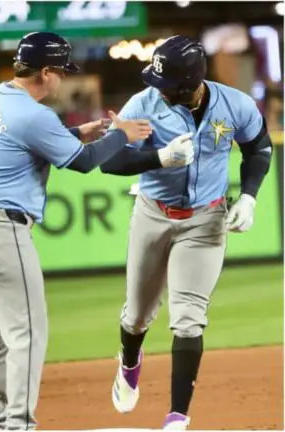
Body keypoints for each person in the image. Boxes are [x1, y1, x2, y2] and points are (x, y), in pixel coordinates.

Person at [0, 31, 166, 430]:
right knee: (28, 335)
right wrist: (122, 135)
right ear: (46, 72)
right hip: (2, 229)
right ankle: (18, 424)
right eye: (61, 71)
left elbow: (18, 144)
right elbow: (84, 164)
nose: (63, 79)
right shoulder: (34, 114)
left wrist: (74, 134)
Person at [100, 35, 273, 430]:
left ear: (188, 83)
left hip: (205, 220)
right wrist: (158, 158)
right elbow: (110, 159)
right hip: (153, 214)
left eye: (164, 83)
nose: (155, 89)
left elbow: (259, 148)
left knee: (188, 319)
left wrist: (248, 197)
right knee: (138, 316)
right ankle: (129, 363)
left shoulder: (235, 104)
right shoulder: (143, 105)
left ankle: (177, 416)